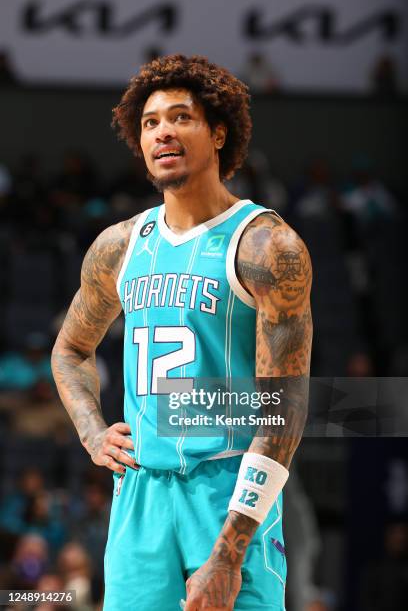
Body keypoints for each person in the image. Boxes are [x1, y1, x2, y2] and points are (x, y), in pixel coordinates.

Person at [51, 54, 312, 610]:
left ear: (218, 133)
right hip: (139, 498)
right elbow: (71, 350)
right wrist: (92, 432)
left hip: (228, 493)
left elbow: (283, 412)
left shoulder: (267, 247)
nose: (162, 131)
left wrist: (229, 551)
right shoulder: (120, 245)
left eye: (180, 117)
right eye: (149, 123)